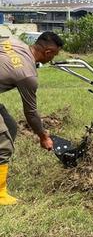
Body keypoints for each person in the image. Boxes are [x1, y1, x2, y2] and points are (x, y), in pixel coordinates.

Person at [0, 31, 62, 205]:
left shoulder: (14, 42)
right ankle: (0, 194)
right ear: (47, 52)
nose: (52, 60)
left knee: (10, 126)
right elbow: (31, 113)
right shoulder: (27, 74)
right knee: (3, 140)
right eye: (54, 56)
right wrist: (43, 136)